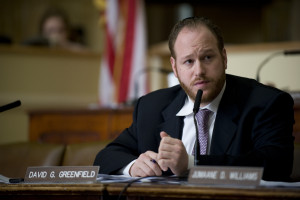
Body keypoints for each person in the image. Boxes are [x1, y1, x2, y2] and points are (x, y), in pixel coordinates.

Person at [94, 17, 294, 181]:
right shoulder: (151, 107)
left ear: (224, 58)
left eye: (207, 58)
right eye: (188, 61)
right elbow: (106, 157)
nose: (199, 71)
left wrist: (191, 165)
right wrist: (133, 167)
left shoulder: (266, 103)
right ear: (175, 68)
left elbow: (277, 165)